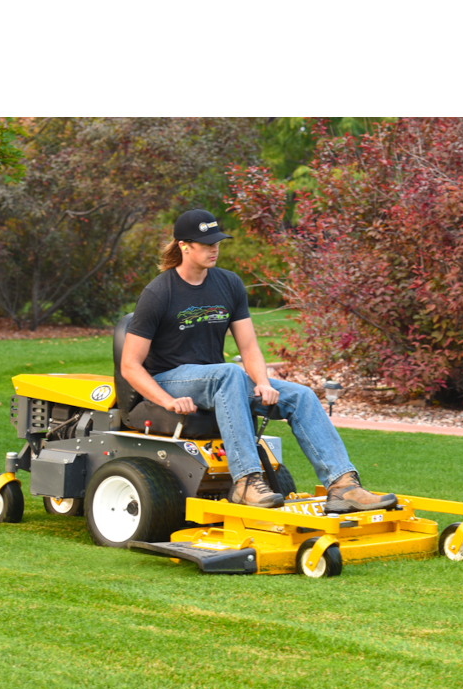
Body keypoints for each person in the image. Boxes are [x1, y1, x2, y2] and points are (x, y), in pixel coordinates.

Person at [121, 209, 397, 513]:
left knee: (301, 396)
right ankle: (245, 482)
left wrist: (264, 382)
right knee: (229, 374)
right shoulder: (159, 292)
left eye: (218, 242)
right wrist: (167, 401)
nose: (215, 248)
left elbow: (249, 346)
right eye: (207, 243)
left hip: (219, 380)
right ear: (185, 246)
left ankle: (343, 485)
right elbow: (130, 365)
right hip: (171, 379)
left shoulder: (228, 284)